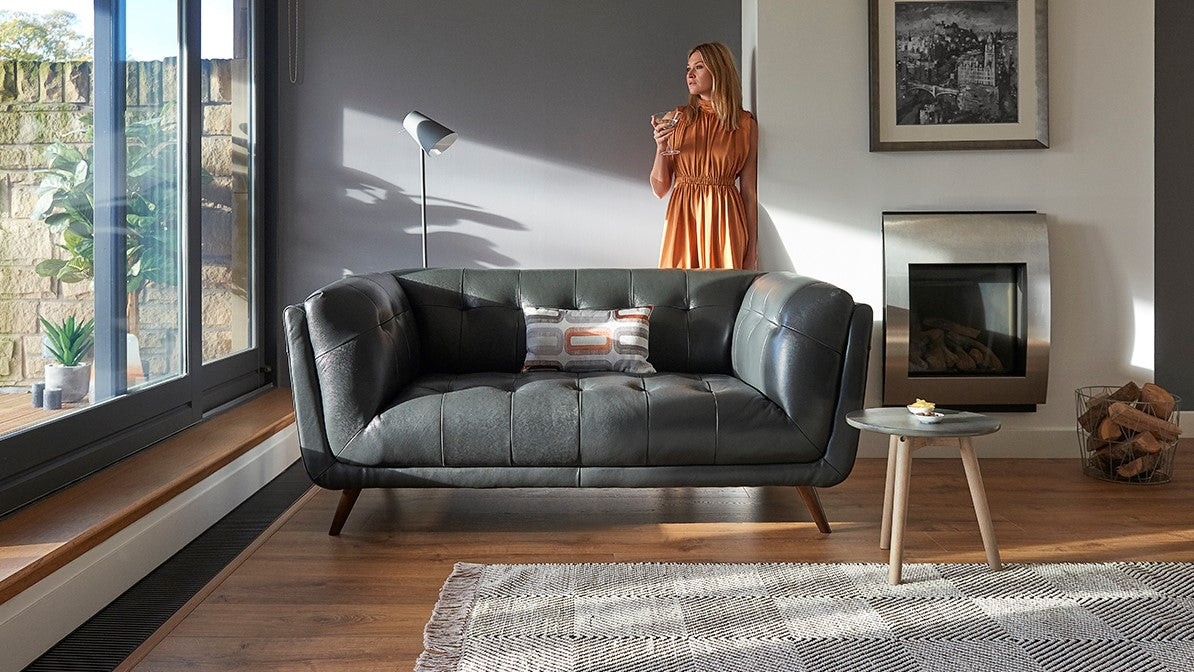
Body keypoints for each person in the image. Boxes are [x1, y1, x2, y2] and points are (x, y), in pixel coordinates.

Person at [650, 42, 758, 270]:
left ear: (718, 70)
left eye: (698, 67)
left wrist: (752, 252)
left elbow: (749, 193)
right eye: (688, 68)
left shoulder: (744, 124)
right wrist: (661, 147)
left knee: (724, 296)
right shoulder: (677, 118)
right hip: (684, 219)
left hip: (725, 221)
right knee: (678, 295)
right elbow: (660, 189)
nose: (689, 74)